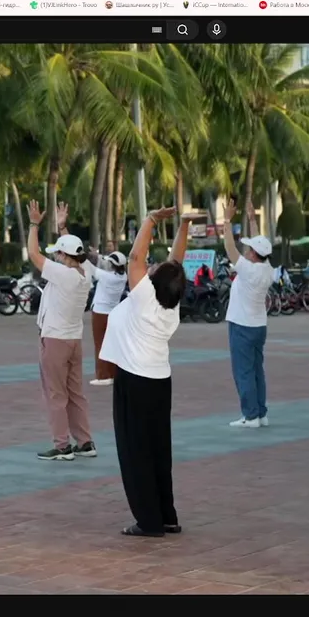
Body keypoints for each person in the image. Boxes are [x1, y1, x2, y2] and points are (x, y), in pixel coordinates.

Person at [101, 206, 199, 537]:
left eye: (155, 268)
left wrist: (151, 220)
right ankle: (166, 515)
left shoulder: (144, 300)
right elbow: (176, 264)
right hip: (159, 381)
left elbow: (134, 258)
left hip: (135, 381)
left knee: (136, 452)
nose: (153, 265)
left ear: (153, 280)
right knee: (158, 450)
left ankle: (149, 521)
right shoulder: (170, 305)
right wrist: (183, 226)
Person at [26, 201, 95, 461]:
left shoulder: (62, 274)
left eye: (58, 254)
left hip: (55, 340)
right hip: (73, 341)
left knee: (56, 394)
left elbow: (33, 254)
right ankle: (85, 442)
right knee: (75, 393)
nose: (55, 257)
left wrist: (34, 224)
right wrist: (63, 227)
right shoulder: (85, 273)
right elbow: (76, 252)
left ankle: (62, 445)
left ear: (65, 256)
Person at [219, 199, 275, 428]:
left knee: (243, 372)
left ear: (253, 255)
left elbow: (229, 248)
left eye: (250, 249)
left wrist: (227, 220)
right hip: (258, 326)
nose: (247, 251)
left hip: (241, 326)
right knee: (256, 371)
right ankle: (260, 413)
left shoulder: (248, 269)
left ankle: (250, 416)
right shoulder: (268, 269)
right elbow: (258, 243)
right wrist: (252, 219)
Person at [88, 250, 129, 386]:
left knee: (99, 344)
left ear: (112, 264)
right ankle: (112, 374)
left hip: (100, 313)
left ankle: (102, 376)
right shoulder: (123, 277)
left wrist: (81, 255)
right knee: (111, 344)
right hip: (113, 313)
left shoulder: (107, 277)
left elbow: (89, 267)